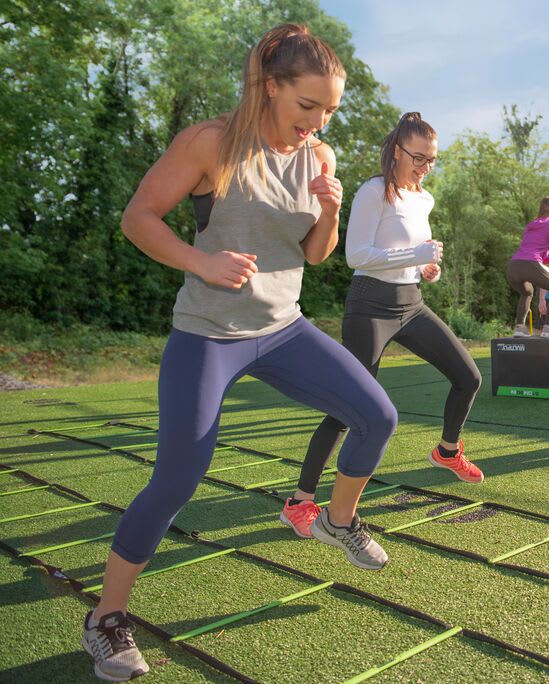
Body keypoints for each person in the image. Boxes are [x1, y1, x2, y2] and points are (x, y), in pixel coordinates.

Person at [81, 25, 399, 681]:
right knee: (177, 477)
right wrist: (202, 260)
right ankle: (106, 618)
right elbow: (138, 217)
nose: (317, 121)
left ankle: (337, 521)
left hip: (284, 329)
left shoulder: (320, 158)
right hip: (208, 335)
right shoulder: (211, 142)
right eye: (306, 105)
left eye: (329, 109)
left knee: (379, 416)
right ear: (269, 85)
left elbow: (315, 255)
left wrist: (330, 213)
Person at [281, 112, 485, 540]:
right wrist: (416, 256)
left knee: (468, 377)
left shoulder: (423, 199)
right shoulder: (374, 192)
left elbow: (416, 256)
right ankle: (299, 502)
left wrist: (427, 267)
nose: (425, 167)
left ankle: (447, 450)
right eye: (419, 157)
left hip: (410, 304)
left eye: (432, 160)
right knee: (347, 408)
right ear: (397, 151)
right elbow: (357, 255)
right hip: (370, 307)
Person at [507, 197, 549, 337]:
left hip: (513, 266)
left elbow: (540, 257)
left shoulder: (530, 226)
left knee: (527, 292)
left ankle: (520, 328)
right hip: (530, 264)